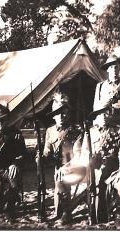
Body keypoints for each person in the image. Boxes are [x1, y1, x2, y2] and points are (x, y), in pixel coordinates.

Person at [82, 105, 120, 229]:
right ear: (95, 116)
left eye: (107, 113)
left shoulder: (118, 131)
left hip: (113, 171)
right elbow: (84, 152)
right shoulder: (90, 132)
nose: (104, 116)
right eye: (101, 113)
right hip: (95, 172)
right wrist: (89, 162)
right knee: (98, 213)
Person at [40, 92, 84, 225]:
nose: (61, 116)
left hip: (75, 167)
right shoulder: (50, 131)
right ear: (53, 115)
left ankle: (67, 212)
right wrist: (41, 157)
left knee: (61, 178)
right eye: (57, 113)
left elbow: (78, 155)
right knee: (57, 206)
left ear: (68, 113)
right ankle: (63, 209)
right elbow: (47, 152)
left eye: (64, 112)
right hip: (58, 169)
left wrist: (66, 167)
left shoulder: (76, 130)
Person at [93, 53, 120, 134]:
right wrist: (100, 121)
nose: (114, 69)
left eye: (116, 67)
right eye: (111, 67)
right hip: (104, 126)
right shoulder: (100, 86)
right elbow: (96, 109)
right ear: (107, 69)